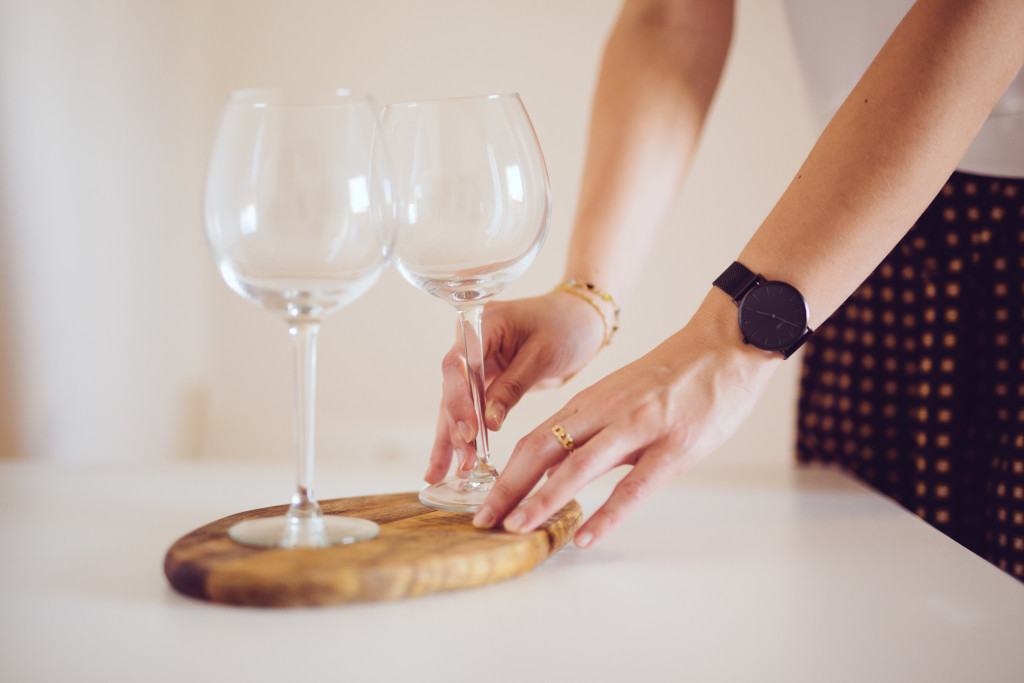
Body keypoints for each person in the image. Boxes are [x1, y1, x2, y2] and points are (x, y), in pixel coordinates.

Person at [427, 0, 1024, 579]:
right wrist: (589, 295)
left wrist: (727, 340)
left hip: (874, 252)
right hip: (858, 258)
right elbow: (672, 17)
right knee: (880, 605)